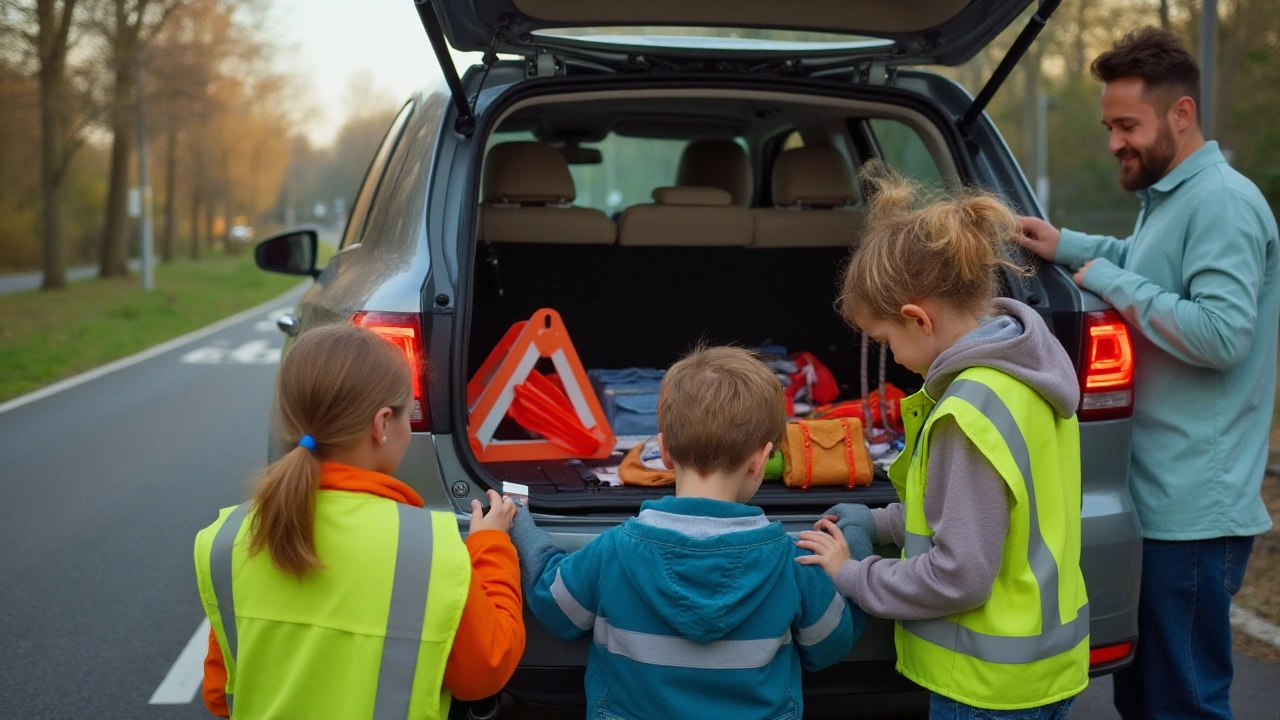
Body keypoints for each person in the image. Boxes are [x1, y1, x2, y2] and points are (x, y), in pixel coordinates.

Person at [1015, 27, 1279, 719]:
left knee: (1183, 703)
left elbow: (1222, 335)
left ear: (1181, 114)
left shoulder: (1221, 202)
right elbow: (1137, 261)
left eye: (1127, 125)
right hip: (1158, 504)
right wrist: (1066, 245)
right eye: (1108, 125)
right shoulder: (1173, 198)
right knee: (1150, 700)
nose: (1113, 142)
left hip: (1193, 513)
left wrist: (1103, 276)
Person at [799, 163, 1088, 719]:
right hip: (1047, 671)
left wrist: (852, 574)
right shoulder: (1028, 376)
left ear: (917, 319)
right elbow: (996, 516)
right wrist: (882, 521)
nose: (892, 358)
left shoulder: (967, 412)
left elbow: (959, 575)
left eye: (885, 341)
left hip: (983, 687)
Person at [510, 345, 862, 720]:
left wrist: (519, 518)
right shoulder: (795, 563)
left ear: (662, 451)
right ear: (762, 458)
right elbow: (828, 646)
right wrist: (856, 532)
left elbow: (555, 608)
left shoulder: (612, 551)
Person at [194, 324, 525, 718]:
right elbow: (485, 670)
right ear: (382, 424)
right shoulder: (430, 550)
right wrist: (490, 546)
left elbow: (221, 693)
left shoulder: (228, 537)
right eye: (410, 412)